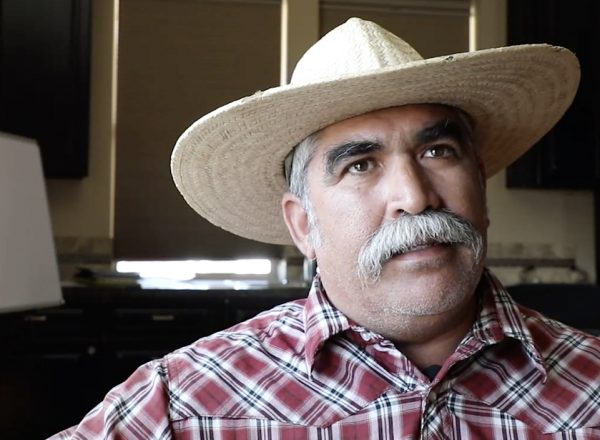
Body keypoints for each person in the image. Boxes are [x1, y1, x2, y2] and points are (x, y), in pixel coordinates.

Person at [51, 18, 599, 439]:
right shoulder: (180, 403)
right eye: (360, 164)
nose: (414, 196)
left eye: (437, 150)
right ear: (302, 225)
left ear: (479, 185)